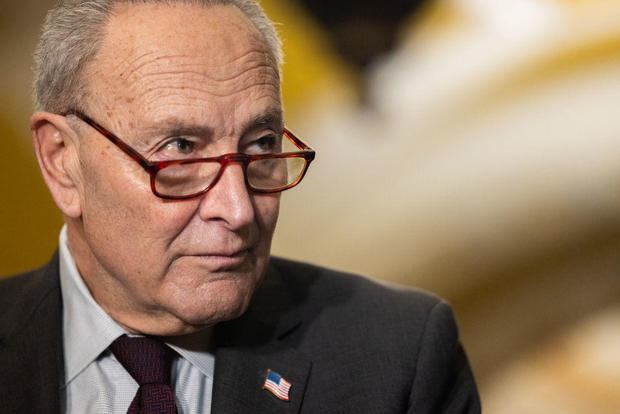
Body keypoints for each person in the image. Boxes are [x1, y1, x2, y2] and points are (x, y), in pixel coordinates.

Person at [0, 0, 481, 412]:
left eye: (262, 144)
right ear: (63, 161)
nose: (239, 210)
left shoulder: (398, 356)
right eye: (182, 147)